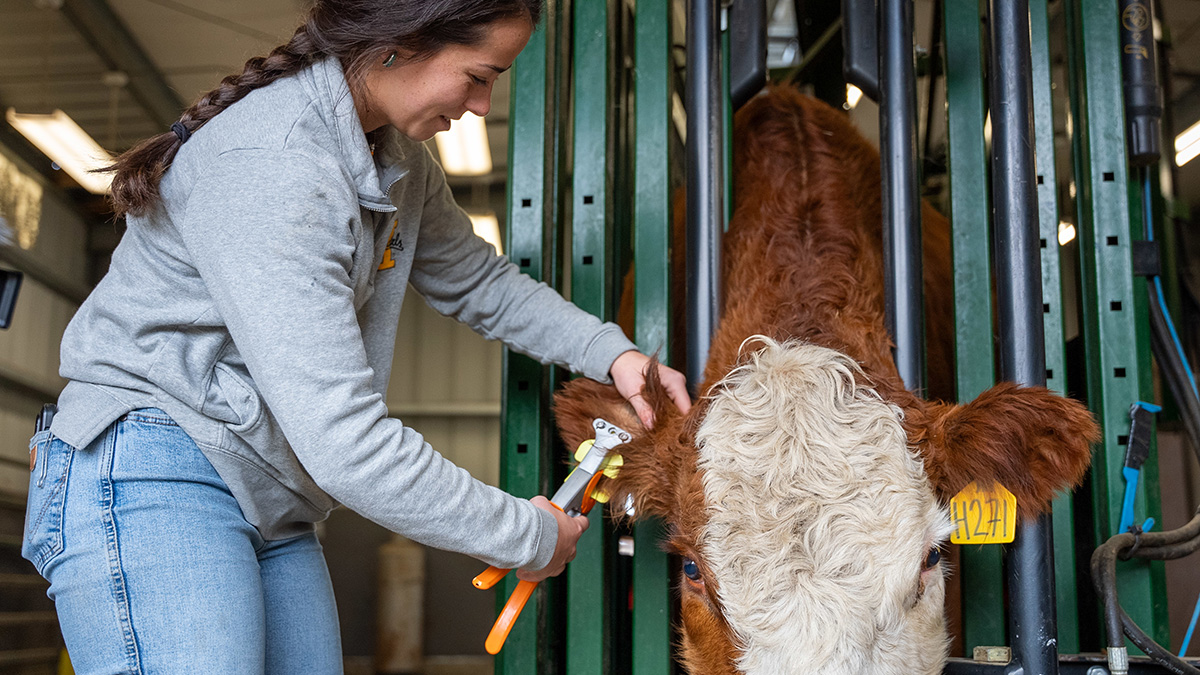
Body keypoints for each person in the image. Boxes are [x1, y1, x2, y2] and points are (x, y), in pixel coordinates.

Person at [20, 0, 691, 672]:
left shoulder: (399, 160)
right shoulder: (278, 160)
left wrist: (614, 352)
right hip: (158, 467)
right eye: (478, 76)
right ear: (400, 42)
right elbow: (344, 439)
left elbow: (480, 282)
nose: (484, 105)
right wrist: (524, 533)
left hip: (273, 490)